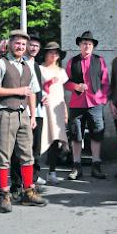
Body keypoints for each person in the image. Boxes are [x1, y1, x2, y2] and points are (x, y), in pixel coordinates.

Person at [0, 30, 47, 212]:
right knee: (4, 156)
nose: (20, 47)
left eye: (23, 44)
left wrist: (32, 115)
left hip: (23, 115)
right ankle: (4, 195)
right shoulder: (1, 64)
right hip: (5, 113)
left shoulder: (27, 66)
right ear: (10, 44)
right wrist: (17, 91)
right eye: (17, 43)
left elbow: (32, 91)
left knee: (27, 154)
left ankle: (28, 191)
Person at [65, 31, 110, 181]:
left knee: (96, 134)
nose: (87, 46)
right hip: (77, 104)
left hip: (95, 103)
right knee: (76, 134)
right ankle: (76, 165)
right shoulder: (72, 61)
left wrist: (102, 99)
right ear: (79, 45)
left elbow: (105, 82)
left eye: (90, 44)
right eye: (84, 43)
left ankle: (96, 165)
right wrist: (76, 87)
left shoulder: (100, 60)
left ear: (93, 46)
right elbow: (65, 82)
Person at [11, 33, 45, 196]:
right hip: (19, 112)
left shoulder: (36, 66)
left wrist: (42, 97)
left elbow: (36, 90)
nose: (33, 48)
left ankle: (32, 181)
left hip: (37, 112)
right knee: (18, 150)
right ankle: (17, 185)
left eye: (37, 46)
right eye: (31, 45)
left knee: (35, 149)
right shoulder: (18, 64)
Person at [39, 41, 69, 185]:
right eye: (50, 52)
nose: (53, 55)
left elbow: (62, 92)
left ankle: (52, 171)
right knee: (39, 140)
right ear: (45, 53)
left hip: (57, 108)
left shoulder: (61, 72)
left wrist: (65, 111)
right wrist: (48, 84)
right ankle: (35, 172)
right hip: (43, 108)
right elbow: (37, 88)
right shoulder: (40, 69)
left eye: (56, 53)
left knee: (55, 140)